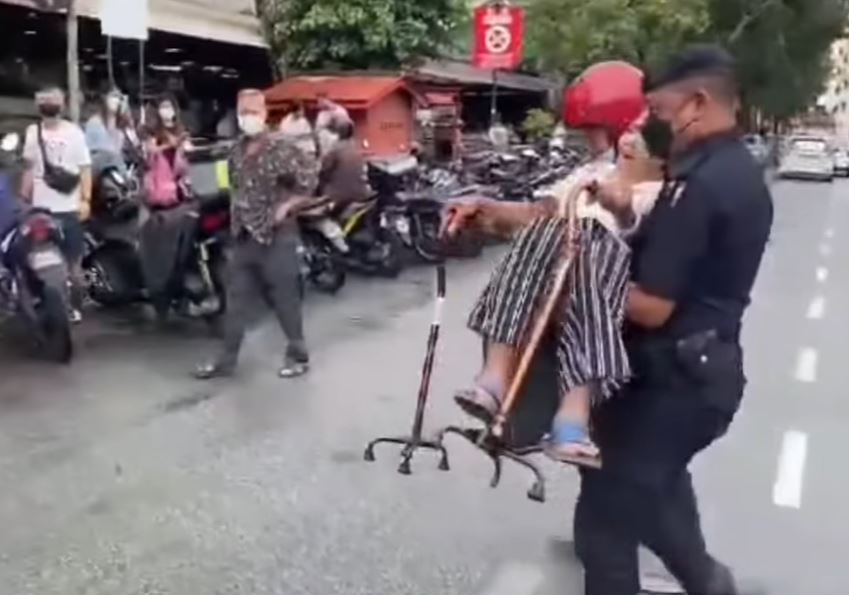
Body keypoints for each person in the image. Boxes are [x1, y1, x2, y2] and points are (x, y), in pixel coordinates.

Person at [456, 119, 666, 467]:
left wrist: (618, 207)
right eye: (630, 130)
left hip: (598, 272)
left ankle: (573, 419)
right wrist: (486, 208)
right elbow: (541, 212)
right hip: (553, 264)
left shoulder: (659, 194)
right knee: (544, 230)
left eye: (646, 137)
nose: (631, 140)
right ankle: (493, 379)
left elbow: (631, 223)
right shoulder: (592, 173)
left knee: (582, 245)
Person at [195, 89, 318, 380]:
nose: (247, 117)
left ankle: (298, 356)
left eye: (252, 111)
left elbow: (310, 180)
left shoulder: (282, 147)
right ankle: (226, 360)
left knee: (285, 300)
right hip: (244, 236)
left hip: (277, 236)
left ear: (264, 114)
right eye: (242, 111)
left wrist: (287, 205)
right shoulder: (235, 150)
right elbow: (234, 189)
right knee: (235, 299)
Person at [21, 86, 92, 323]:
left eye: (53, 99)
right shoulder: (33, 132)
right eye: (44, 99)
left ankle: (70, 306)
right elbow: (30, 170)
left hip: (66, 207)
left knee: (72, 266)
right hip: (43, 210)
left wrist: (85, 199)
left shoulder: (75, 133)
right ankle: (55, 306)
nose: (49, 103)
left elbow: (85, 169)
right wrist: (24, 199)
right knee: (46, 263)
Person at [84, 88, 136, 176]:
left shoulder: (123, 125)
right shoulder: (94, 122)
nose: (116, 101)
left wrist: (127, 115)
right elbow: (89, 151)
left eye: (119, 98)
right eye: (113, 97)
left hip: (117, 169)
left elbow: (135, 145)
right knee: (111, 157)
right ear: (106, 99)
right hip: (99, 167)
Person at [315, 92, 351, 157]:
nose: (319, 104)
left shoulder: (340, 111)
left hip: (338, 144)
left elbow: (346, 126)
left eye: (320, 101)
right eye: (318, 102)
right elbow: (317, 130)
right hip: (325, 148)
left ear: (326, 100)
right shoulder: (321, 115)